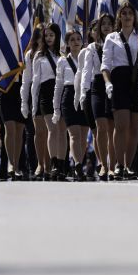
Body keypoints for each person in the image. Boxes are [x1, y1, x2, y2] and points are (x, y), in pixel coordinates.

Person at [101, 4, 138, 179]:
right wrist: (108, 83)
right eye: (123, 13)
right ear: (119, 17)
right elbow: (105, 65)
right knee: (121, 125)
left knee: (134, 127)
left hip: (137, 80)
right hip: (119, 79)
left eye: (130, 13)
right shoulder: (111, 38)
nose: (127, 16)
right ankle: (118, 164)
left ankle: (128, 165)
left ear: (135, 17)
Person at [79, 14, 116, 180]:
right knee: (100, 128)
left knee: (112, 129)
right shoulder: (92, 48)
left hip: (113, 84)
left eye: (109, 24)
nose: (106, 27)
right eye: (103, 24)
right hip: (97, 87)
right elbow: (86, 71)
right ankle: (103, 165)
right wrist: (83, 91)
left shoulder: (117, 43)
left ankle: (113, 166)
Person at [22, 24, 60, 180]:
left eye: (51, 35)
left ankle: (53, 165)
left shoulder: (61, 54)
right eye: (45, 35)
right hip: (39, 93)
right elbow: (31, 81)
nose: (47, 38)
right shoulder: (35, 55)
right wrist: (26, 102)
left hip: (57, 92)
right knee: (40, 132)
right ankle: (41, 164)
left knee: (54, 130)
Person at [52, 29, 90, 180]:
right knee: (74, 134)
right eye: (72, 39)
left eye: (78, 39)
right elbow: (58, 86)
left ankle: (78, 163)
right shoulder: (62, 61)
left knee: (83, 135)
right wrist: (56, 108)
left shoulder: (87, 57)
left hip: (84, 95)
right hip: (68, 97)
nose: (76, 42)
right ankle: (78, 166)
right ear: (67, 43)